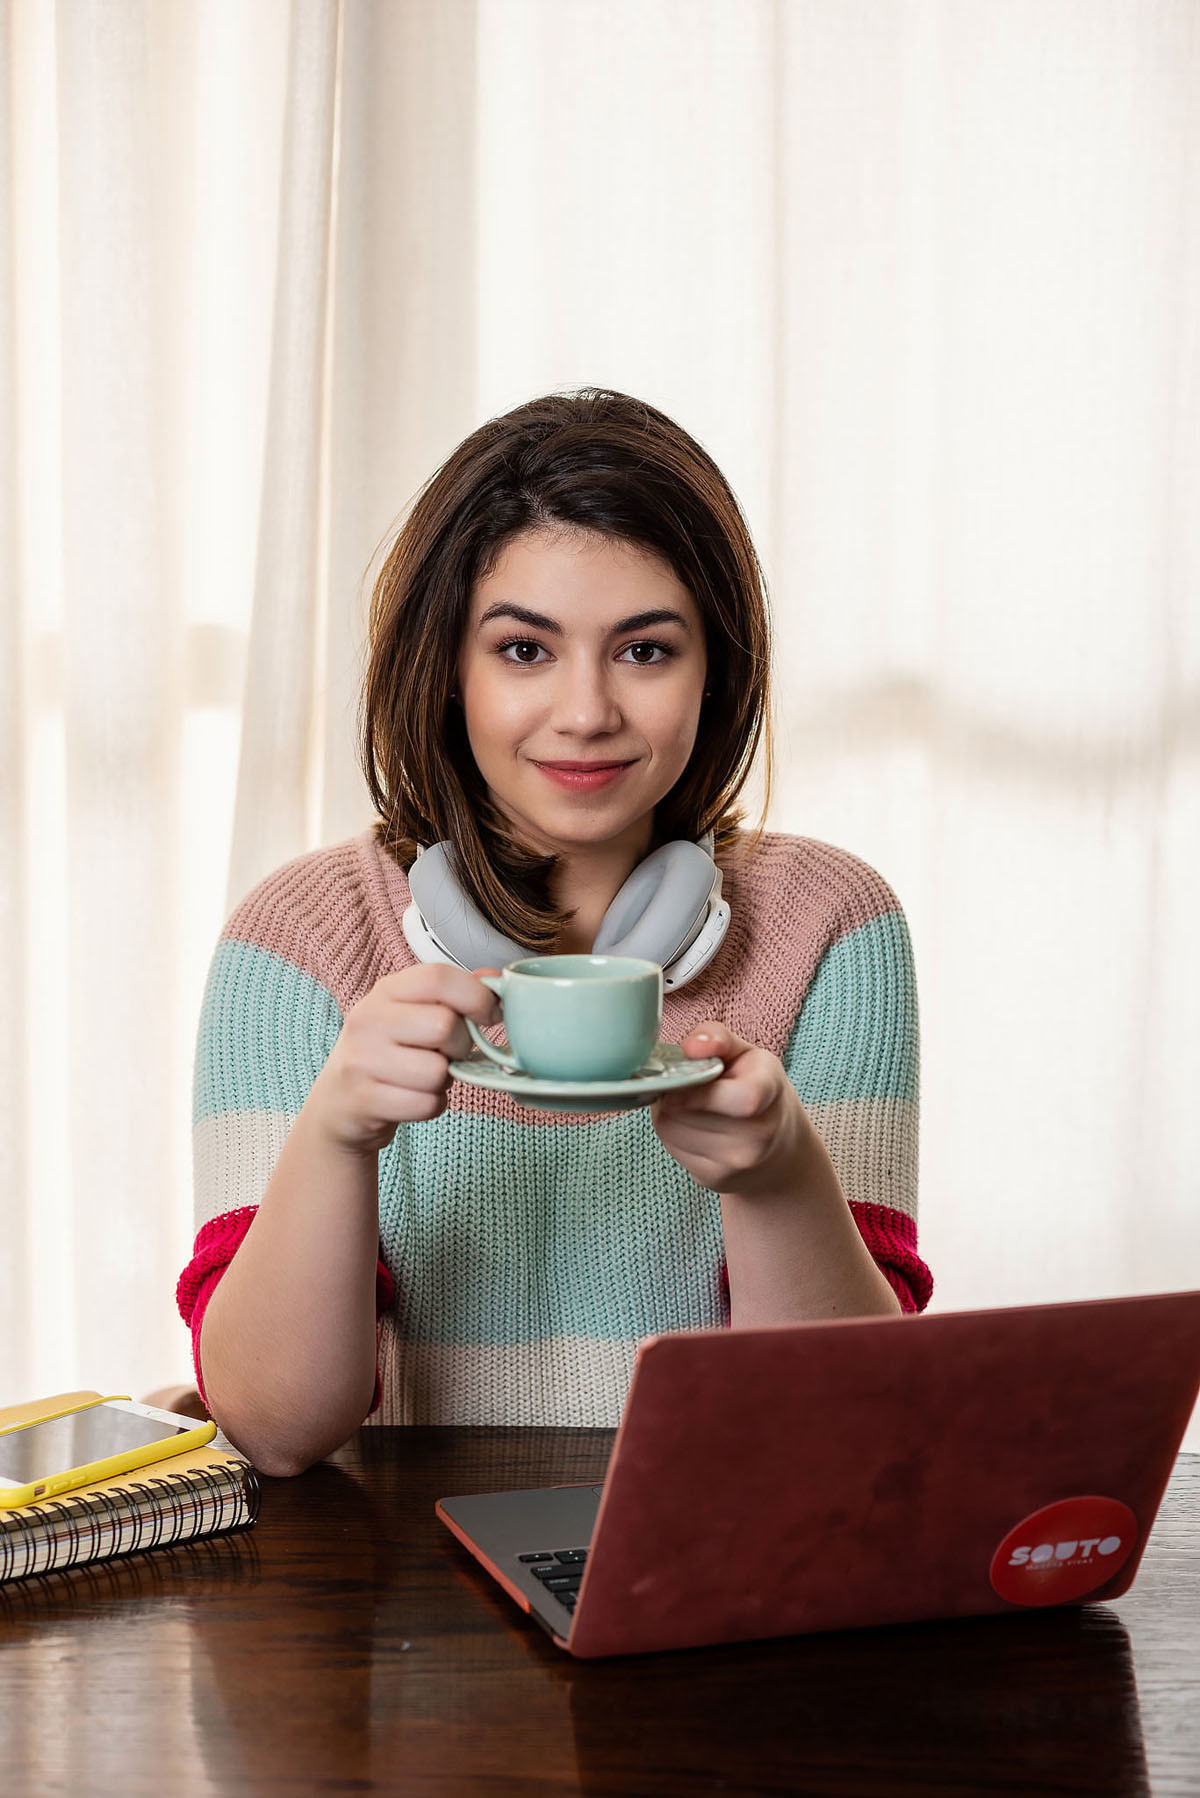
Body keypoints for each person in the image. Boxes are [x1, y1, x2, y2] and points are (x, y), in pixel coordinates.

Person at [177, 388, 932, 1477]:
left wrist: (779, 1179)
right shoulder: (296, 939)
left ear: (715, 672)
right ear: (447, 670)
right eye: (525, 651)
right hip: (395, 1611)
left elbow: (854, 1430)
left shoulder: (832, 926)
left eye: (645, 651)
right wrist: (337, 1130)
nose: (586, 712)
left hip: (706, 1576)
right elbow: (275, 1427)